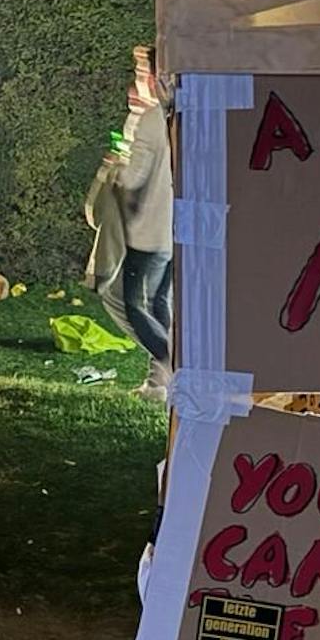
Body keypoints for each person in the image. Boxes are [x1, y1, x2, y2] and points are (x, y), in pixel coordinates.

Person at [113, 46, 173, 400]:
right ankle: (160, 383)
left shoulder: (151, 120)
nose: (136, 82)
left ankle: (170, 365)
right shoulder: (179, 113)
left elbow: (133, 178)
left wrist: (116, 165)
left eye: (140, 73)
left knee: (130, 302)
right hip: (175, 231)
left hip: (149, 231)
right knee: (162, 302)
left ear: (154, 76)